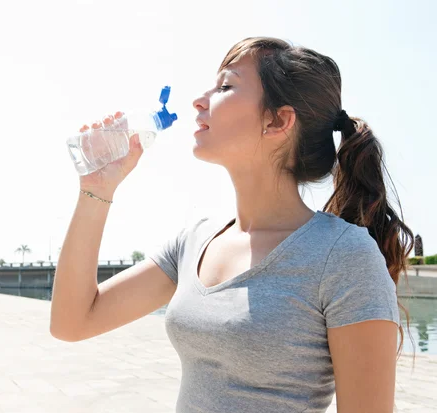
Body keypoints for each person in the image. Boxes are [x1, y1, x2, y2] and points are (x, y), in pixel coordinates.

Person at [50, 37, 413, 413]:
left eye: (226, 86)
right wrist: (96, 190)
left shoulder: (343, 256)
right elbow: (73, 321)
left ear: (277, 120)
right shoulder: (196, 241)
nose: (200, 100)